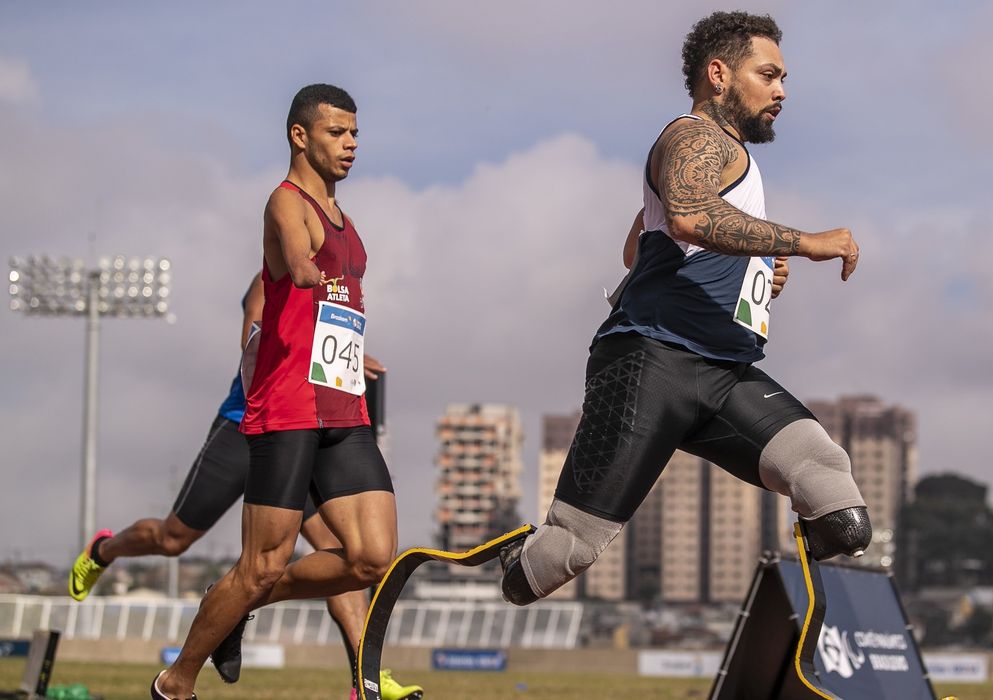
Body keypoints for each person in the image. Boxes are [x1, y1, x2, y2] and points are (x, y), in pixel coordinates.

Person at [500, 11, 871, 607]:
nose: (782, 92)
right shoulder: (695, 137)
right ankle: (508, 558)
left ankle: (794, 639)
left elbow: (642, 246)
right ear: (719, 74)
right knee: (560, 560)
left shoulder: (731, 162)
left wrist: (754, 266)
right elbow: (691, 217)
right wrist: (804, 241)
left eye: (784, 79)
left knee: (837, 506)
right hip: (653, 365)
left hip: (725, 373)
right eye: (769, 74)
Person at [151, 84, 411, 700]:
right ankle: (176, 681)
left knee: (372, 558)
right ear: (301, 136)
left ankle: (245, 604)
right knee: (261, 563)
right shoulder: (285, 203)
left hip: (342, 403)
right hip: (288, 406)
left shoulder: (348, 219)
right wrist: (302, 268)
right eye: (336, 133)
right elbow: (296, 259)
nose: (350, 145)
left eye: (354, 134)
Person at [68, 274, 417, 699]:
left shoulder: (336, 281)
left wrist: (347, 361)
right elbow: (252, 337)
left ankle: (366, 678)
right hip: (245, 427)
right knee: (173, 538)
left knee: (343, 553)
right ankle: (104, 550)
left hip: (306, 431)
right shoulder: (272, 276)